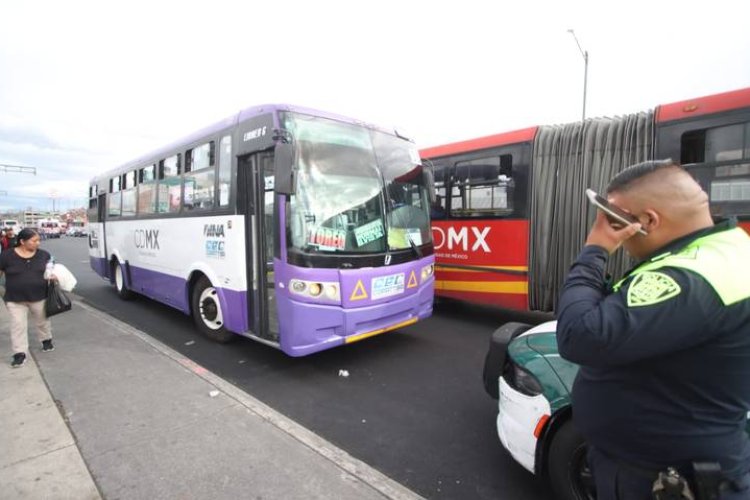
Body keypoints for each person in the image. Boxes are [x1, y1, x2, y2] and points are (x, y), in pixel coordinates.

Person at [556, 159, 750, 500]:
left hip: (663, 481)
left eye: (615, 221)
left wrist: (594, 250)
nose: (611, 230)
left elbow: (580, 336)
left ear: (646, 221)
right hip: (672, 466)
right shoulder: (725, 252)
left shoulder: (690, 276)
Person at [0, 228, 55, 368]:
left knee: (42, 321)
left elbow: (52, 270)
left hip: (39, 296)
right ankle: (20, 354)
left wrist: (54, 277)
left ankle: (46, 340)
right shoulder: (6, 256)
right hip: (15, 299)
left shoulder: (44, 255)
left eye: (38, 240)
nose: (38, 243)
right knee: (18, 325)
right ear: (22, 241)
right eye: (34, 241)